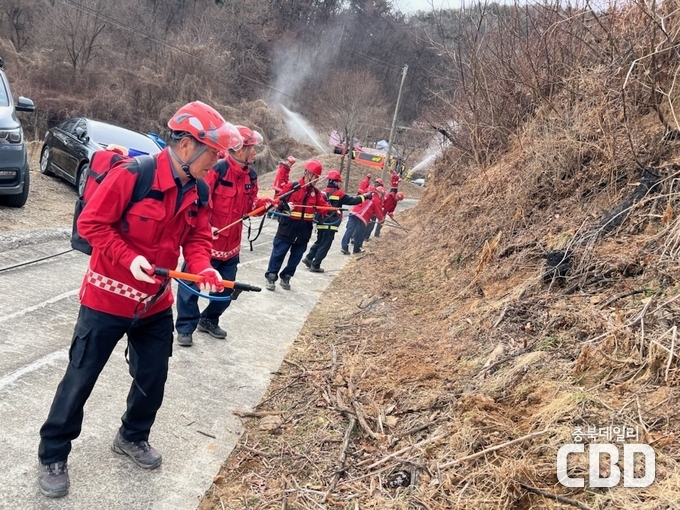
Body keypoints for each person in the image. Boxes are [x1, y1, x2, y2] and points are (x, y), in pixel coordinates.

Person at [37, 101, 242, 498]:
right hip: (105, 300)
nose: (217, 163)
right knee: (80, 378)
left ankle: (132, 435)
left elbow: (198, 238)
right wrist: (128, 258)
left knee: (153, 375)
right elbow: (91, 224)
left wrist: (204, 268)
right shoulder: (132, 175)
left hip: (155, 304)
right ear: (187, 146)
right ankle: (52, 454)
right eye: (214, 154)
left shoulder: (199, 190)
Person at [174, 126, 273, 347]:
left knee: (227, 290)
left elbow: (250, 205)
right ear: (238, 149)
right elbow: (199, 202)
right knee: (191, 287)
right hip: (207, 245)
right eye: (251, 148)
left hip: (231, 248)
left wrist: (264, 205)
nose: (255, 153)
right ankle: (185, 327)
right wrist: (206, 227)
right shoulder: (216, 170)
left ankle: (209, 319)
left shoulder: (251, 176)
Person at [264, 159, 330, 290]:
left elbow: (323, 207)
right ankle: (271, 276)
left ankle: (286, 276)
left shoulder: (316, 193)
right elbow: (277, 201)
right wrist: (284, 206)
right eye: (315, 177)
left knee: (296, 257)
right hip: (287, 228)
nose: (317, 180)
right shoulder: (292, 187)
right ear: (308, 174)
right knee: (279, 253)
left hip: (304, 232)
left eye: (318, 177)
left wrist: (334, 211)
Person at [302, 169, 371, 273]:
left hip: (321, 221)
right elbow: (353, 201)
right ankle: (315, 265)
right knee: (325, 244)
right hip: (331, 223)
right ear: (335, 182)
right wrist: (365, 196)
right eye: (339, 182)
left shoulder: (323, 192)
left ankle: (309, 258)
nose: (340, 184)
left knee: (319, 241)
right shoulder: (339, 194)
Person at [341, 186, 385, 255]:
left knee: (349, 231)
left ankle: (344, 247)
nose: (381, 197)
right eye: (382, 195)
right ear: (380, 193)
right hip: (362, 217)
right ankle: (356, 249)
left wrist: (369, 218)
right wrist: (381, 221)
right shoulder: (376, 199)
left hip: (353, 212)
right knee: (359, 234)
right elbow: (378, 212)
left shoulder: (367, 194)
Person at [364, 178, 385, 242]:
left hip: (366, 210)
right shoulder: (379, 191)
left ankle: (356, 237)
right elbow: (378, 204)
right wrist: (381, 219)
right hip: (372, 212)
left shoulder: (370, 188)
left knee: (364, 225)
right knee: (370, 225)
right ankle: (365, 237)